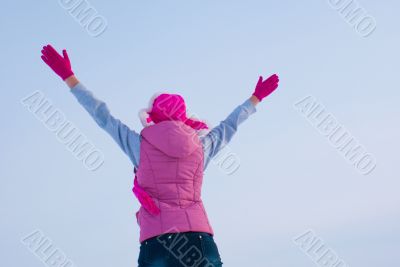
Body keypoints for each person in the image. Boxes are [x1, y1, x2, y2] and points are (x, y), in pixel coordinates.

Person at [40, 44, 279, 267]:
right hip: (199, 239)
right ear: (183, 116)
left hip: (157, 243)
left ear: (152, 115)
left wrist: (70, 79)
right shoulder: (200, 147)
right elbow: (230, 125)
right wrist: (255, 98)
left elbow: (103, 117)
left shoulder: (139, 145)